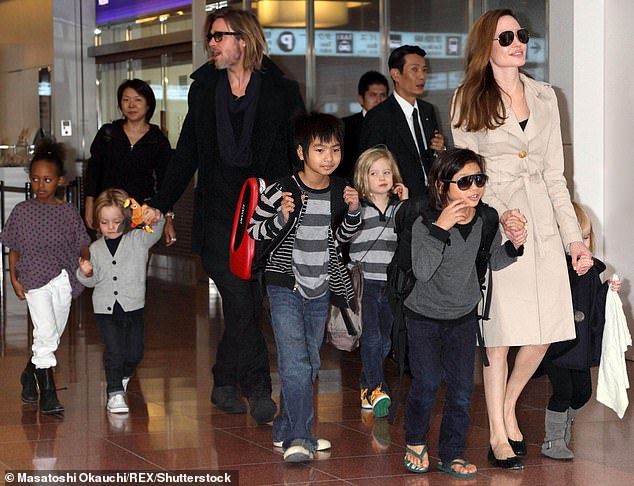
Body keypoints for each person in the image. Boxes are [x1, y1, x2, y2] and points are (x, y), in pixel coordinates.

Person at [144, 7, 304, 424]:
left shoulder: (281, 92)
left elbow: (294, 154)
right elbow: (186, 155)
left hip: (263, 214)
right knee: (237, 294)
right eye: (210, 37)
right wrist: (161, 204)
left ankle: (221, 381)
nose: (211, 44)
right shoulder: (203, 90)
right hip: (217, 214)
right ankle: (258, 387)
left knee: (247, 303)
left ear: (244, 40)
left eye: (218, 36)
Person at [450, 8, 593, 468]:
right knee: (499, 337)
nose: (517, 42)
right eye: (506, 36)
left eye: (521, 35)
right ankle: (497, 432)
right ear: (486, 45)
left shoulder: (547, 96)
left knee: (545, 331)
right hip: (498, 230)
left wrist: (574, 238)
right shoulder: (466, 99)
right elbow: (467, 176)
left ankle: (508, 406)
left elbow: (556, 176)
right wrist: (497, 213)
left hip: (546, 229)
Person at [402, 148, 525, 478]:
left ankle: (451, 453)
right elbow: (424, 271)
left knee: (460, 389)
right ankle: (415, 441)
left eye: (479, 180)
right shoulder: (423, 220)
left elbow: (491, 263)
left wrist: (513, 244)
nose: (475, 188)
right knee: (427, 382)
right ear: (442, 186)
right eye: (465, 181)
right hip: (424, 315)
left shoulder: (485, 219)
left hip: (462, 316)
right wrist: (440, 228)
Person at [247, 112, 361, 462]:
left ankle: (284, 426)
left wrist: (354, 212)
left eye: (335, 150)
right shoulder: (281, 189)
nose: (329, 157)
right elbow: (254, 231)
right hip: (285, 286)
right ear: (300, 152)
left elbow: (341, 239)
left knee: (310, 363)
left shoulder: (340, 191)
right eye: (320, 149)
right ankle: (300, 437)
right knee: (295, 364)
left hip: (321, 286)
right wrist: (280, 216)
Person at [0, 139, 91, 414]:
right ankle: (47, 393)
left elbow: (82, 241)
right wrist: (15, 278)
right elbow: (13, 247)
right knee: (46, 333)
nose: (41, 185)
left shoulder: (68, 212)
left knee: (52, 335)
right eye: (36, 179)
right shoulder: (22, 211)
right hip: (33, 279)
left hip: (62, 280)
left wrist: (85, 260)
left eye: (48, 179)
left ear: (60, 180)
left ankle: (29, 374)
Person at [540, 202, 621, 460]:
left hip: (579, 345)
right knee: (563, 391)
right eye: (575, 239)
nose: (581, 245)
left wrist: (607, 290)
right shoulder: (555, 269)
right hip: (556, 343)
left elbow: (594, 303)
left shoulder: (591, 271)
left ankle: (563, 425)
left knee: (583, 392)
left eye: (585, 237)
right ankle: (552, 440)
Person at [77, 188, 165, 414]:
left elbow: (156, 228)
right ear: (97, 222)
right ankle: (114, 392)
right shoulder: (95, 249)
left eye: (116, 221)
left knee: (135, 352)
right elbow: (91, 281)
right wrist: (85, 273)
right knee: (115, 350)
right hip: (105, 310)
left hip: (133, 306)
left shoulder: (138, 239)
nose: (111, 227)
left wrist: (154, 215)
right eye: (105, 222)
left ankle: (124, 374)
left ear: (126, 219)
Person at [349, 146, 408, 418]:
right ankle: (377, 388)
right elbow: (343, 237)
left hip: (391, 284)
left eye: (386, 171)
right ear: (363, 178)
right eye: (374, 173)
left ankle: (365, 387)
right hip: (367, 284)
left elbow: (409, 237)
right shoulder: (358, 207)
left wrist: (405, 205)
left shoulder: (399, 209)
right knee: (370, 337)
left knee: (384, 341)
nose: (382, 177)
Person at [84, 78, 175, 246]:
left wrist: (169, 218)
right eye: (126, 100)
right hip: (109, 212)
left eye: (138, 100)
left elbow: (166, 181)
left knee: (138, 259)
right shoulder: (108, 134)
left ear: (148, 105)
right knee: (109, 258)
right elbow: (94, 170)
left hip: (143, 214)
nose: (131, 105)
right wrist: (89, 204)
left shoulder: (157, 140)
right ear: (120, 105)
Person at [359, 45, 445, 198]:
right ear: (396, 74)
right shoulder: (378, 116)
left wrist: (441, 150)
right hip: (399, 201)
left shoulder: (428, 111)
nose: (422, 76)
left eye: (424, 70)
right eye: (415, 69)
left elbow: (432, 156)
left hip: (433, 198)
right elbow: (369, 165)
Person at [336, 71, 389, 178]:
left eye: (383, 95)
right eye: (373, 95)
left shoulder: (394, 125)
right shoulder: (344, 126)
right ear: (361, 99)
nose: (378, 100)